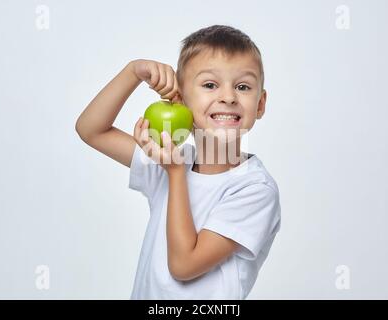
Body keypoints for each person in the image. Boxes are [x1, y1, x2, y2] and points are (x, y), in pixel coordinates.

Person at [75, 25, 281, 299]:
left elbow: (184, 265)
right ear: (180, 99)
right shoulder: (172, 159)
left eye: (243, 87)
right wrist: (133, 71)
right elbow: (91, 130)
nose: (229, 97)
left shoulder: (254, 189)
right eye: (210, 85)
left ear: (260, 104)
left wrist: (175, 174)